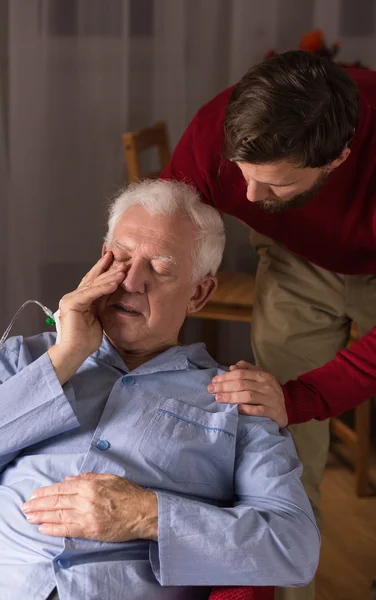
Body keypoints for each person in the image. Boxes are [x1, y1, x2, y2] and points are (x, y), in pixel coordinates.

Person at [0, 180, 319, 600]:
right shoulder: (24, 360)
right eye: (120, 258)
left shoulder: (235, 399)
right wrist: (65, 357)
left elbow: (294, 548)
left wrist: (148, 515)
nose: (131, 282)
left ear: (198, 293)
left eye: (160, 267)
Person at [160, 49, 376, 600]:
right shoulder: (219, 129)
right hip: (298, 260)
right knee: (278, 439)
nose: (250, 198)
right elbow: (161, 225)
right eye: (242, 176)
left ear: (337, 158)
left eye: (276, 186)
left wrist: (305, 396)